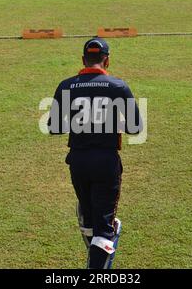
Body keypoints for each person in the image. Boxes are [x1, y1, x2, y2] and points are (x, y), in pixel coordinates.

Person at [48, 38, 142, 269]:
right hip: (106, 162)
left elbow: (55, 127)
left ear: (83, 60)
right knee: (103, 227)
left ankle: (98, 255)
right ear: (107, 60)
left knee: (90, 219)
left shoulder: (66, 86)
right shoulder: (118, 86)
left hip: (78, 162)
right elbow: (135, 128)